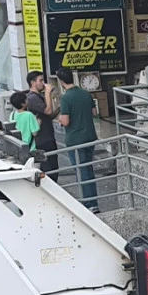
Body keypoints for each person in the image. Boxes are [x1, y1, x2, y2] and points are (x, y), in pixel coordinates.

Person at [55, 69, 99, 212]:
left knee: (82, 171)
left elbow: (66, 121)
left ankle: (89, 204)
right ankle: (94, 201)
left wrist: (60, 119)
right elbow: (94, 112)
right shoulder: (86, 93)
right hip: (90, 136)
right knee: (89, 169)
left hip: (75, 139)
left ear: (61, 82)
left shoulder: (66, 98)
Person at [26, 71, 60, 181]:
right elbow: (48, 111)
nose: (43, 83)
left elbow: (49, 116)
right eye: (40, 80)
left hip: (47, 137)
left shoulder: (38, 97)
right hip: (42, 140)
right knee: (48, 169)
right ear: (33, 83)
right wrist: (47, 93)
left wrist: (60, 107)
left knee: (53, 167)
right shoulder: (32, 98)